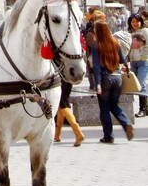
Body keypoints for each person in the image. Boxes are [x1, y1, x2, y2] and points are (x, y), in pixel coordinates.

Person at [91, 13, 134, 143]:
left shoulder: (96, 44)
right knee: (114, 105)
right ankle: (126, 123)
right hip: (117, 78)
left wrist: (97, 84)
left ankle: (108, 136)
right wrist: (126, 67)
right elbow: (122, 59)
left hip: (105, 79)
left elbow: (97, 67)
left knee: (104, 108)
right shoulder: (115, 42)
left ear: (98, 31)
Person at [128, 13, 148, 117]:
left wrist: (143, 57)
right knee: (135, 85)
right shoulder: (131, 32)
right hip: (133, 61)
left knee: (141, 84)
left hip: (143, 61)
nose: (135, 23)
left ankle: (143, 109)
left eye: (137, 21)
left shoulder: (144, 31)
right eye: (133, 21)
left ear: (141, 21)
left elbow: (147, 45)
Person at [53, 79, 84, 146]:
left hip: (61, 81)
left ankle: (78, 134)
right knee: (61, 106)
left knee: (63, 105)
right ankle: (56, 136)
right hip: (67, 79)